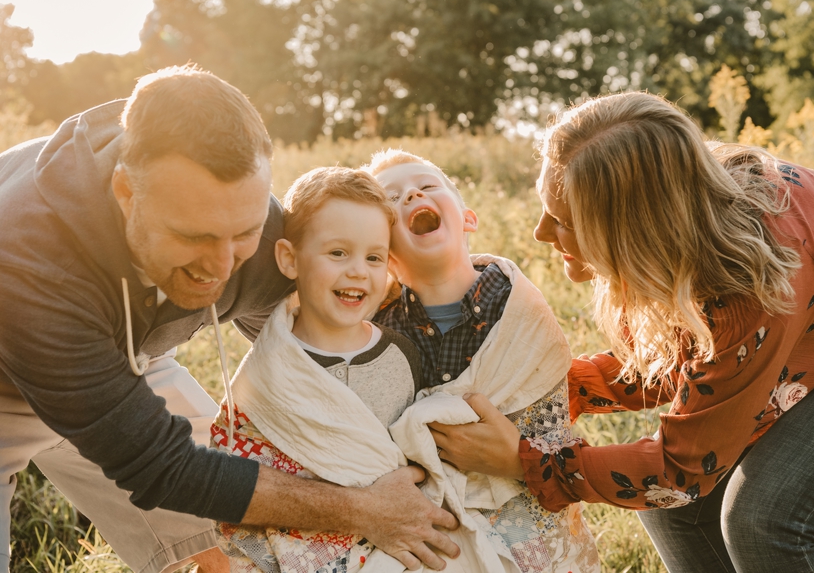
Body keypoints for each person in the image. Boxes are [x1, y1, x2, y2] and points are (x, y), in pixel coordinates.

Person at [430, 91, 814, 572]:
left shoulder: (754, 280)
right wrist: (565, 387)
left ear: (633, 231)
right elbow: (693, 360)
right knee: (676, 514)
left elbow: (682, 472)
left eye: (564, 220)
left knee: (764, 520)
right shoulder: (695, 218)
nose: (541, 232)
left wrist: (527, 464)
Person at [0, 66, 457, 573]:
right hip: (7, 379)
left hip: (132, 353)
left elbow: (325, 340)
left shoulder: (259, 238)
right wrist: (363, 510)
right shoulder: (30, 263)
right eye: (194, 237)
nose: (220, 269)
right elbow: (161, 467)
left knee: (236, 544)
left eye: (242, 232)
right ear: (127, 193)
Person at [367, 150, 601, 572]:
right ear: (384, 254)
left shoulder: (516, 304)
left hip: (523, 503)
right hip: (438, 517)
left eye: (427, 185)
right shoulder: (381, 330)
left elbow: (547, 406)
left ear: (468, 218)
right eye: (392, 197)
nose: (413, 193)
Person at [210, 166, 425, 572]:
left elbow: (419, 455)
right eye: (338, 253)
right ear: (290, 259)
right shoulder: (270, 371)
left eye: (374, 257)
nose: (358, 270)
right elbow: (237, 468)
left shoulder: (402, 355)